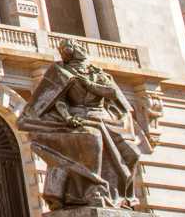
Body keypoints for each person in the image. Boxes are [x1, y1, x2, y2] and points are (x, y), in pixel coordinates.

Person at [17, 41, 142, 210]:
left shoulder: (97, 73)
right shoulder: (61, 72)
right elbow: (57, 101)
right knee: (92, 137)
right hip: (78, 118)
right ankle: (94, 188)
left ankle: (123, 196)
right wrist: (68, 117)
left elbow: (112, 92)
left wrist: (89, 84)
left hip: (105, 119)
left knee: (132, 152)